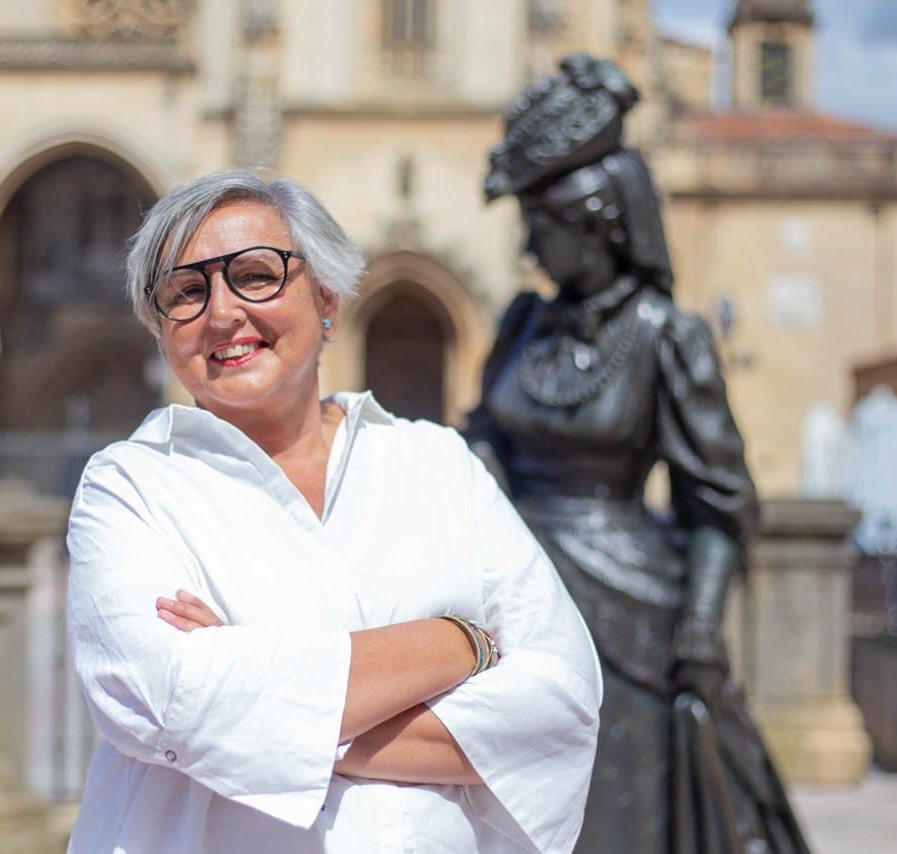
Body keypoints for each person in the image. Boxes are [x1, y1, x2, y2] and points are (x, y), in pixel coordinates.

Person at [64, 169, 602, 853]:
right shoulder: (130, 487)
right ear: (161, 329)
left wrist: (263, 696)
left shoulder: (438, 464)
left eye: (255, 276)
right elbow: (168, 700)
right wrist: (461, 644)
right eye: (186, 292)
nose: (222, 313)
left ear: (327, 300)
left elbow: (561, 702)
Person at [467, 55, 811, 853]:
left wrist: (701, 624)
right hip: (511, 595)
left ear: (598, 226)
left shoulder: (667, 338)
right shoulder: (521, 324)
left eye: (541, 225)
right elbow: (484, 433)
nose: (528, 246)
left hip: (625, 608)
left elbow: (718, 501)